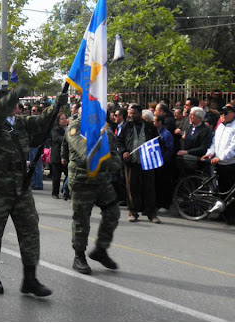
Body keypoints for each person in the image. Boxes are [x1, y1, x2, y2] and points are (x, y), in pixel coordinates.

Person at [0, 85, 65, 297]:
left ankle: (30, 279)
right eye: (10, 102)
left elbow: (42, 122)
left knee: (30, 231)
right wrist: (14, 94)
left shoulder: (20, 123)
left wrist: (56, 105)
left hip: (21, 186)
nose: (15, 106)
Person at [64, 114, 121, 274]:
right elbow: (86, 152)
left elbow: (114, 150)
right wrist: (109, 161)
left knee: (113, 212)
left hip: (102, 180)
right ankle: (79, 256)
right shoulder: (76, 127)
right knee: (82, 220)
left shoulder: (105, 126)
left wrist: (114, 163)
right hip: (82, 180)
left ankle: (100, 249)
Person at [116, 104, 160, 223]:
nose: (131, 115)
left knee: (149, 188)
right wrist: (124, 152)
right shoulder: (126, 127)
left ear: (140, 114)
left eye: (134, 113)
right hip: (132, 163)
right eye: (130, 113)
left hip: (147, 163)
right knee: (132, 188)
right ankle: (133, 212)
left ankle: (151, 214)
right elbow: (119, 141)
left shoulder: (150, 127)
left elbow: (157, 141)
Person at [201, 104, 235, 225]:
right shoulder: (220, 127)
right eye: (221, 114)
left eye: (226, 113)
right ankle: (223, 213)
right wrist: (210, 153)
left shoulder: (234, 127)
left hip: (230, 163)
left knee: (230, 192)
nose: (223, 116)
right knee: (221, 189)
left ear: (233, 114)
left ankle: (231, 216)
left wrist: (221, 157)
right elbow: (214, 143)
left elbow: (233, 147)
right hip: (219, 162)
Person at [50, 112, 68, 199]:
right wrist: (69, 138)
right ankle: (55, 193)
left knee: (68, 175)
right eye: (62, 119)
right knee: (56, 177)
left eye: (65, 118)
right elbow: (57, 138)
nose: (65, 120)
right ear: (58, 121)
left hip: (66, 156)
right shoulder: (55, 130)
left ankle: (65, 191)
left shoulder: (69, 129)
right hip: (57, 156)